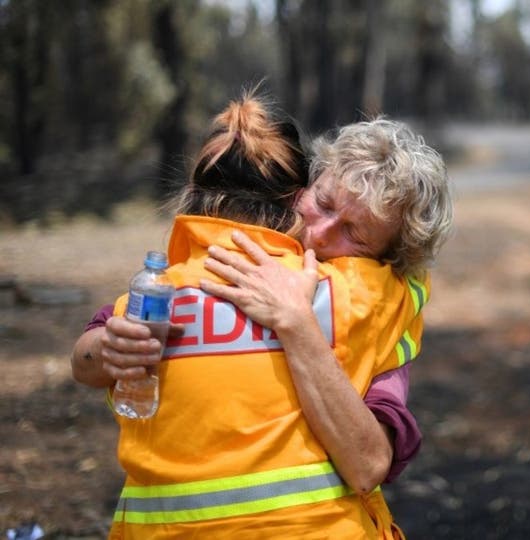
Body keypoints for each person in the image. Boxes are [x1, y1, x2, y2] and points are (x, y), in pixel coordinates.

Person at [70, 94, 451, 538]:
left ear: (385, 259)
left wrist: (296, 322)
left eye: (355, 234)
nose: (319, 232)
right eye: (324, 204)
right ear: (301, 186)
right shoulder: (210, 269)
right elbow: (90, 353)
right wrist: (105, 348)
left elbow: (369, 465)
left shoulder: (374, 298)